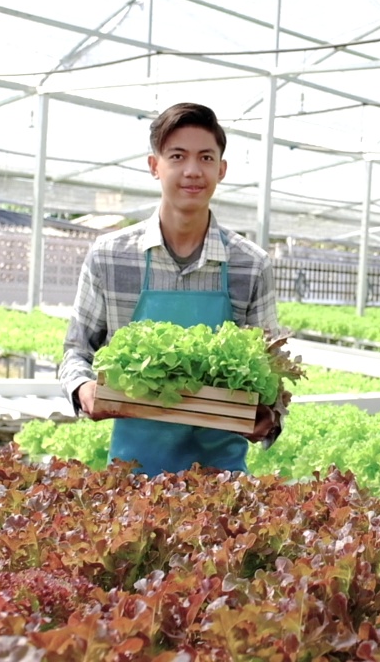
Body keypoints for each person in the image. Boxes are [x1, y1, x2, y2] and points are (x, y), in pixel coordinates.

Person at [59, 102, 282, 476]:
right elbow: (75, 352)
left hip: (222, 480)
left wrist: (268, 418)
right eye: (177, 156)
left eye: (206, 158)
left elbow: (272, 374)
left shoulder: (251, 265)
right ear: (154, 166)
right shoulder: (110, 258)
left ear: (221, 170)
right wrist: (83, 389)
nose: (192, 171)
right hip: (131, 474)